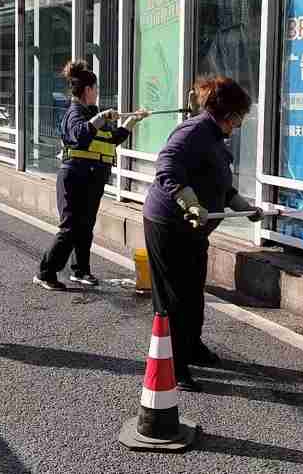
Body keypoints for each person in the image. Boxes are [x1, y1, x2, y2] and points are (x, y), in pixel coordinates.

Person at [142, 76, 261, 392]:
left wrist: (244, 207)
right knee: (173, 297)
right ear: (229, 113)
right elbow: (167, 166)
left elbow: (220, 184)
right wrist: (190, 203)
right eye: (240, 117)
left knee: (193, 291)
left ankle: (192, 346)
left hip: (194, 230)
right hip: (169, 223)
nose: (240, 124)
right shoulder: (194, 130)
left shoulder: (215, 136)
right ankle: (172, 364)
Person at [34, 61, 149, 290]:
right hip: (74, 177)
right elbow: (79, 135)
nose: (97, 93)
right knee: (70, 228)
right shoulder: (75, 113)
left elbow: (112, 139)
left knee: (85, 226)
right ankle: (45, 273)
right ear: (88, 90)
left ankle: (80, 271)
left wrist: (133, 120)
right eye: (95, 89)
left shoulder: (92, 113)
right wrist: (102, 117)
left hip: (91, 177)